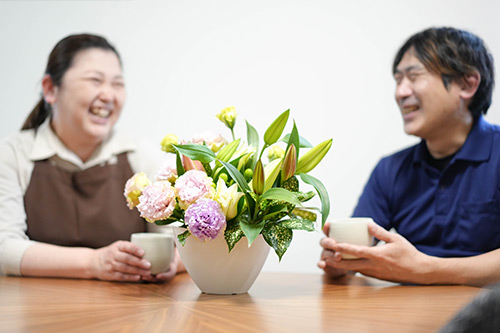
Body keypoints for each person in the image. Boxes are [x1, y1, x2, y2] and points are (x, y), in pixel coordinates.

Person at [318, 27, 500, 287]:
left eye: (413, 77)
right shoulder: (390, 169)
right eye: (398, 80)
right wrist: (341, 260)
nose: (400, 92)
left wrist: (424, 269)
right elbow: (356, 255)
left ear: (467, 83)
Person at [0, 33, 183, 282]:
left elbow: (179, 242)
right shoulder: (13, 154)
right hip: (34, 311)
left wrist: (171, 262)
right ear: (50, 89)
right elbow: (5, 247)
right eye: (95, 80)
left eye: (117, 84)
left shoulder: (139, 155)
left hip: (128, 312)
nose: (109, 95)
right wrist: (94, 263)